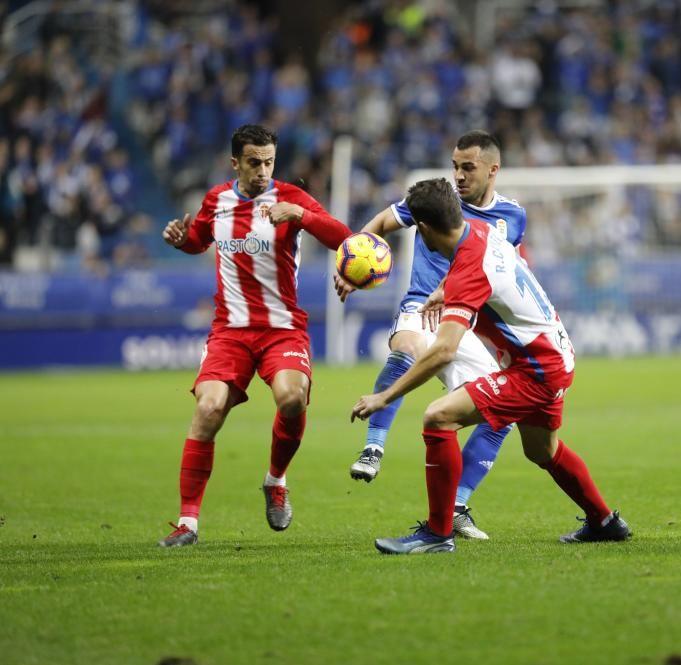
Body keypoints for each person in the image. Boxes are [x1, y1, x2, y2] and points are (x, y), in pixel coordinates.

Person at [351, 178, 631, 555]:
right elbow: (481, 269)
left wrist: (385, 397)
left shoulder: (469, 270)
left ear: (425, 229)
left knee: (438, 416)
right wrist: (443, 289)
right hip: (557, 355)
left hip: (534, 368)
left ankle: (437, 533)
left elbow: (443, 351)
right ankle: (604, 521)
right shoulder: (482, 230)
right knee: (542, 450)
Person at [157, 124, 353, 547]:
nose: (263, 170)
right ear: (235, 163)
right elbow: (199, 239)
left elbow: (346, 239)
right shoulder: (217, 199)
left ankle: (276, 480)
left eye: (269, 162)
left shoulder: (290, 198)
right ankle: (187, 524)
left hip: (282, 329)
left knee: (292, 398)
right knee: (208, 409)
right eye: (253, 162)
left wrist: (301, 216)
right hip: (230, 331)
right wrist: (182, 239)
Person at [337, 130, 526, 540]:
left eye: (468, 168)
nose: (458, 175)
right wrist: (354, 263)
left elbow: (504, 272)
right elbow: (383, 223)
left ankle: (456, 506)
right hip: (422, 306)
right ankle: (373, 447)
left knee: (505, 411)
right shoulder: (437, 201)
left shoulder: (513, 217)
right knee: (407, 345)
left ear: (492, 170)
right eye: (455, 166)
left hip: (465, 321)